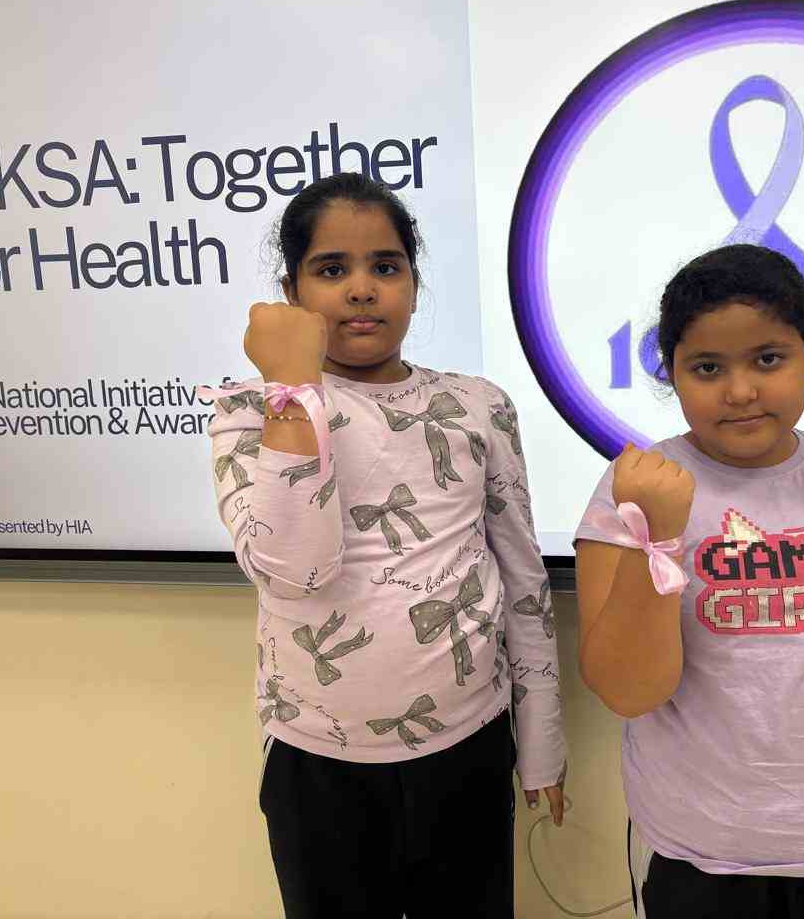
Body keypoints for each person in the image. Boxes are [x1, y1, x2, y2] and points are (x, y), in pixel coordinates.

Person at [202, 172, 566, 918]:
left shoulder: (477, 405)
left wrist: (542, 740)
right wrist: (292, 388)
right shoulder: (248, 411)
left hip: (467, 746)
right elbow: (296, 571)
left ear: (414, 284)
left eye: (386, 266)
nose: (362, 288)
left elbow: (523, 580)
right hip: (316, 759)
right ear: (291, 292)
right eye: (332, 268)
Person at [573, 243, 804, 919]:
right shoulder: (637, 491)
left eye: (768, 359)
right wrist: (659, 535)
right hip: (712, 856)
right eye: (707, 367)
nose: (740, 391)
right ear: (671, 372)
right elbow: (628, 691)